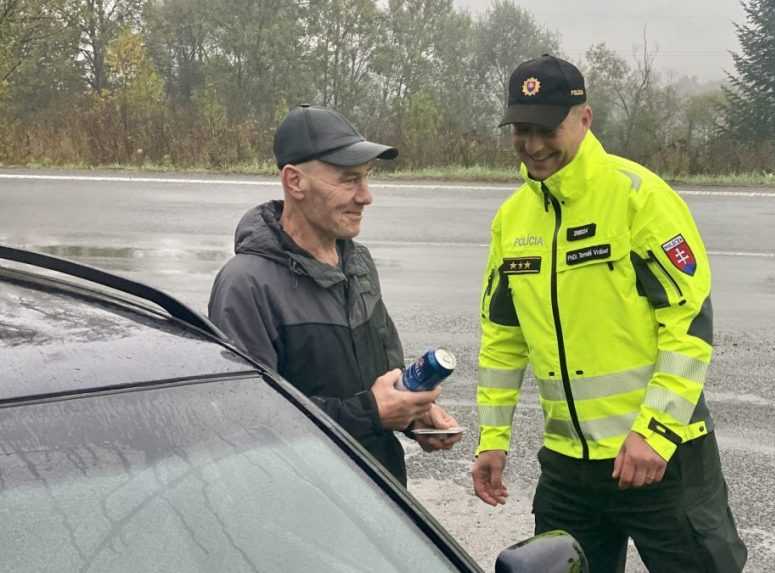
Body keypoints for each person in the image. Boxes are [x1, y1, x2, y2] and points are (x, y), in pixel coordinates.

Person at [470, 55, 747, 573]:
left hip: (662, 460)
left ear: (585, 119)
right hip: (569, 472)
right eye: (521, 130)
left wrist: (656, 433)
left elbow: (687, 325)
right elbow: (503, 340)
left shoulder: (638, 198)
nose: (532, 145)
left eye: (546, 129)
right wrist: (493, 439)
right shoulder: (512, 220)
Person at [209, 104, 460, 486]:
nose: (366, 196)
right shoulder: (246, 285)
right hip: (307, 506)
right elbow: (247, 420)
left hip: (381, 496)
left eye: (366, 178)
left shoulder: (358, 263)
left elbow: (381, 380)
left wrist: (412, 415)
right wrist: (370, 413)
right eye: (348, 179)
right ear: (295, 182)